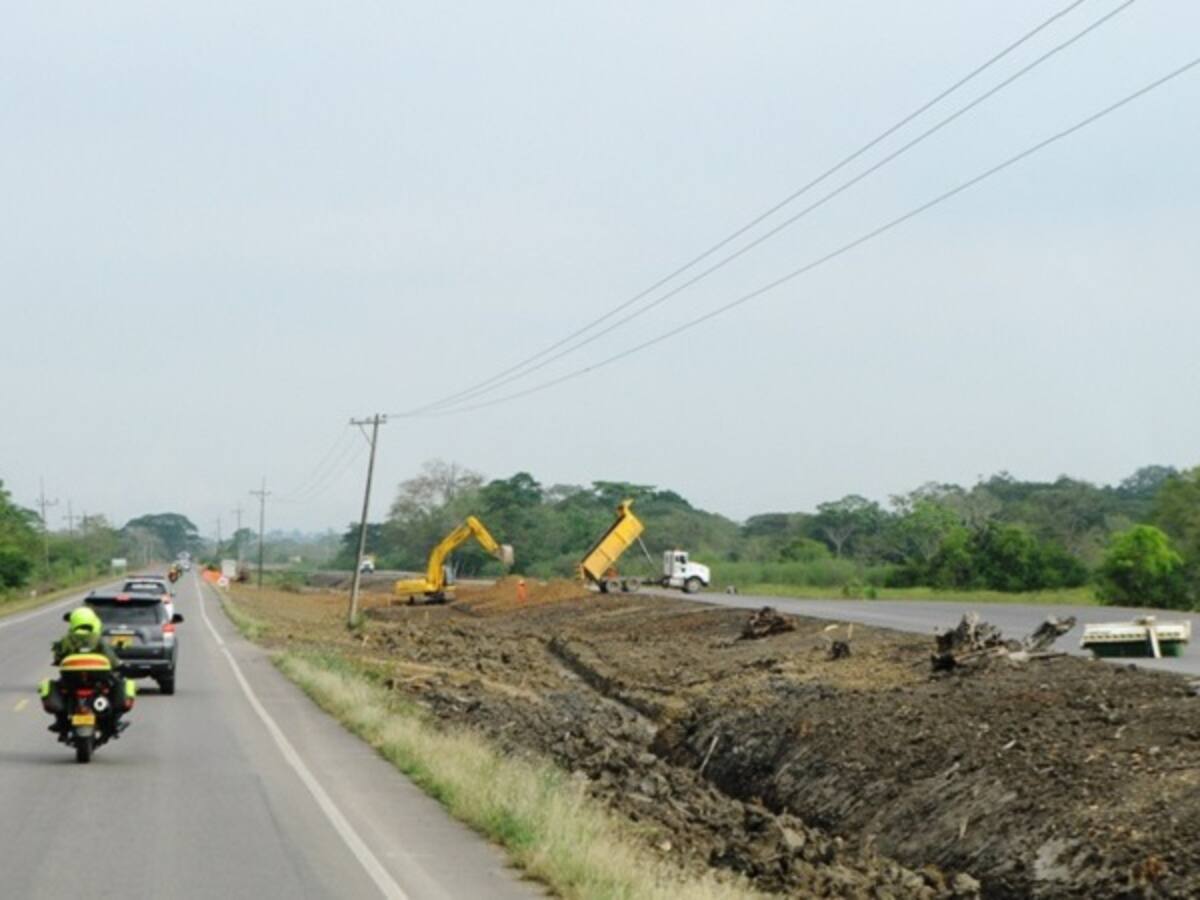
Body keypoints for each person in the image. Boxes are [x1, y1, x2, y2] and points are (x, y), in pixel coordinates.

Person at [42, 607, 128, 735]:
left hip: (72, 677)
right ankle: (114, 722)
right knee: (117, 685)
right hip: (98, 676)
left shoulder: (67, 639)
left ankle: (60, 722)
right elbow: (111, 658)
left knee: (58, 689)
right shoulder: (97, 639)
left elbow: (58, 656)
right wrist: (118, 664)